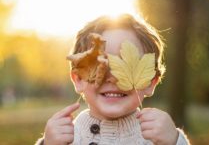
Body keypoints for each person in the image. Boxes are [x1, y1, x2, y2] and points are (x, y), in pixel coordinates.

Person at [35, 14, 190, 145]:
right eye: (100, 65)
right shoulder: (64, 139)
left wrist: (175, 141)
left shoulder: (158, 138)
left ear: (151, 82)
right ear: (78, 79)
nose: (113, 78)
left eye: (127, 65)